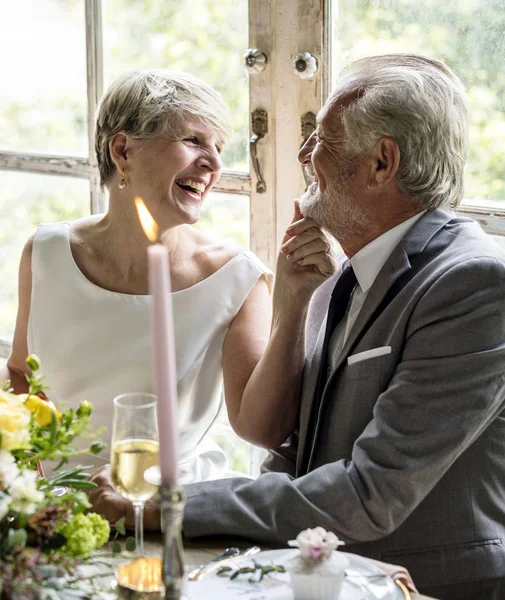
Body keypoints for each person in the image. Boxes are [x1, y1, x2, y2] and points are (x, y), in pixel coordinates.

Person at [91, 54, 505, 599]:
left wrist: (171, 504)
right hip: (319, 576)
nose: (304, 154)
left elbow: (369, 493)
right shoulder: (336, 279)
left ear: (382, 162)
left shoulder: (473, 283)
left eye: (321, 137)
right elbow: (293, 453)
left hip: (424, 586)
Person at [2, 69, 330, 484]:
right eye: (193, 140)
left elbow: (259, 429)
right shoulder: (45, 252)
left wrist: (295, 301)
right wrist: (31, 480)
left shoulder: (235, 278)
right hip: (58, 503)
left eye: (218, 147)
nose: (213, 163)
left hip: (172, 505)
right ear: (122, 150)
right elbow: (20, 375)